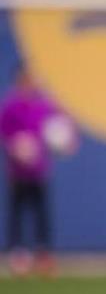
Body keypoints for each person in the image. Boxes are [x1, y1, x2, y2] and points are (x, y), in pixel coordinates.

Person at [0, 64, 77, 277]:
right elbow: (4, 133)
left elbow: (60, 131)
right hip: (17, 172)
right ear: (19, 81)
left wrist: (68, 140)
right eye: (26, 79)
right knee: (17, 213)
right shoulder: (11, 107)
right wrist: (15, 147)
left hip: (39, 171)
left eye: (32, 79)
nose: (30, 83)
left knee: (42, 214)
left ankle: (44, 254)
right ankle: (18, 255)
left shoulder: (44, 106)